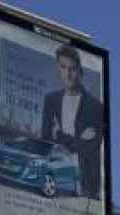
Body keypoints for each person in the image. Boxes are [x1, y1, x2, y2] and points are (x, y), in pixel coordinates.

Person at [39, 44, 104, 200]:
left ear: (79, 70)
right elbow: (46, 138)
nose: (68, 74)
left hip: (86, 183)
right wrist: (79, 140)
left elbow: (93, 145)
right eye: (63, 67)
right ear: (58, 68)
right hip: (55, 177)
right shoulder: (51, 100)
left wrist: (60, 136)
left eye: (72, 69)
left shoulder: (94, 106)